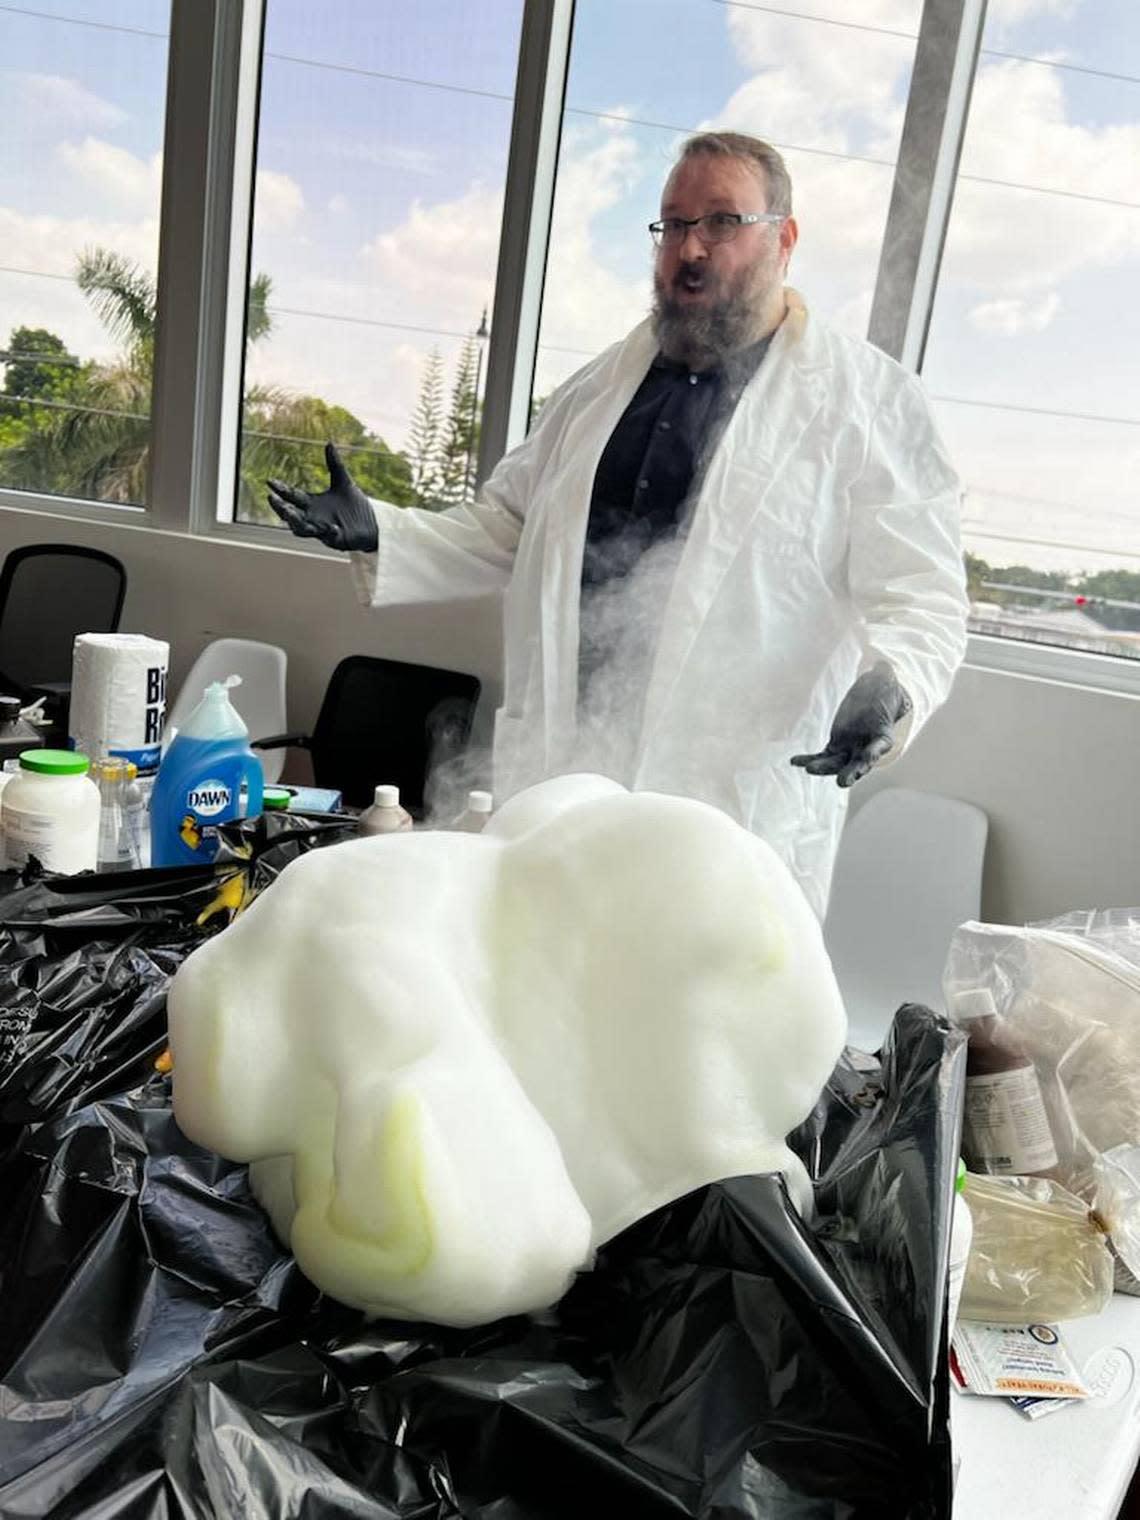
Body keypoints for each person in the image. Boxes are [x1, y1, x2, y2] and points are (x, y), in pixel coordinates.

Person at [267, 131, 968, 918]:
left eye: (721, 222)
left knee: (688, 1019)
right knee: (544, 991)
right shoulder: (601, 385)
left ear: (785, 238)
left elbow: (925, 594)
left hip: (727, 807)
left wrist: (892, 683)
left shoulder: (868, 403)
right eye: (672, 225)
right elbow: (510, 528)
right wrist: (383, 532)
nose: (690, 248)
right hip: (569, 774)